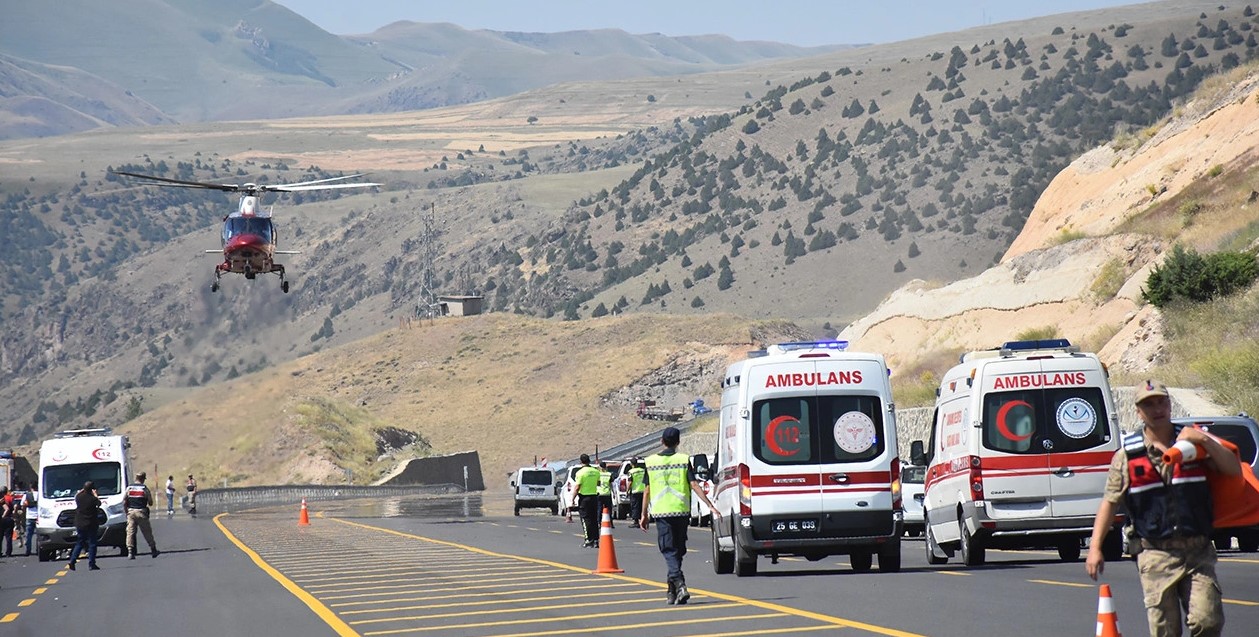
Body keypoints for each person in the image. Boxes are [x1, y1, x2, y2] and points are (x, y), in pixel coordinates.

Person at [1086, 381, 1240, 637]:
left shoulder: (1193, 444)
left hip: (1198, 552)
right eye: (1149, 404)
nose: (1157, 409)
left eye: (1161, 402)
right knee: (1166, 632)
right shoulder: (1127, 456)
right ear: (1138, 411)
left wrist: (1203, 439)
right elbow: (1110, 502)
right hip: (1155, 555)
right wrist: (1094, 548)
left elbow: (1232, 469)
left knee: (1208, 621)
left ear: (1169, 405)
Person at [638, 426, 720, 605]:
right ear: (678, 442)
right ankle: (672, 590)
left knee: (670, 550)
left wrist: (643, 514)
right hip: (681, 512)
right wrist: (710, 505)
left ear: (661, 441)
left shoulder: (650, 461)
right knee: (677, 550)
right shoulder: (683, 459)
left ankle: (679, 583)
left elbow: (647, 491)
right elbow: (694, 485)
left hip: (662, 512)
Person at [124, 472, 160, 559]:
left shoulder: (129, 488)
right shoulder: (144, 488)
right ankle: (153, 549)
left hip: (131, 512)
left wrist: (126, 512)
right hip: (141, 512)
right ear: (143, 479)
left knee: (130, 532)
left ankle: (130, 551)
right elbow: (150, 502)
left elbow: (124, 501)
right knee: (147, 531)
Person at [68, 481, 102, 571]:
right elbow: (99, 503)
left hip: (80, 523)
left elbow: (76, 496)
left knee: (80, 542)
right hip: (91, 523)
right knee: (92, 543)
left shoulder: (79, 497)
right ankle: (92, 563)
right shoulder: (92, 499)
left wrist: (82, 490)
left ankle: (72, 560)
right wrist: (95, 494)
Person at [572, 454, 601, 547]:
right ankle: (596, 540)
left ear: (581, 462)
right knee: (594, 519)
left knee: (585, 519)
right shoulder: (596, 471)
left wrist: (572, 498)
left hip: (584, 498)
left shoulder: (580, 473)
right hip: (594, 497)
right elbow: (598, 483)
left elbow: (577, 487)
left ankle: (589, 539)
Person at [627, 457, 647, 529]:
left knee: (635, 506)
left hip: (635, 491)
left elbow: (630, 482)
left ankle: (636, 522)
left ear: (631, 464)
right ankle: (643, 520)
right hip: (643, 490)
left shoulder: (631, 472)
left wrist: (627, 490)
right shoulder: (642, 470)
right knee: (642, 506)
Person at [596, 460, 615, 529]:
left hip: (599, 493)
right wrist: (613, 493)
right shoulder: (609, 474)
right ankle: (611, 523)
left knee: (599, 509)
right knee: (609, 509)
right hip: (607, 493)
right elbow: (611, 484)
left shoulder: (598, 474)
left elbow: (596, 484)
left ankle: (598, 523)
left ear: (600, 467)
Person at [24, 479, 38, 556]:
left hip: (29, 516)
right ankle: (38, 549)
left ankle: (28, 550)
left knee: (28, 535)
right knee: (38, 535)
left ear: (30, 486)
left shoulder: (27, 495)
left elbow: (24, 504)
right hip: (38, 517)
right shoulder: (40, 494)